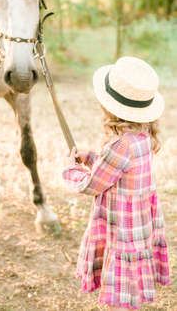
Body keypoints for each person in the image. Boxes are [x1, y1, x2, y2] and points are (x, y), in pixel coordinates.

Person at [62, 56, 170, 310]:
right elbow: (115, 169)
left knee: (122, 295)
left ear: (109, 107)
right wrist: (89, 157)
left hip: (122, 227)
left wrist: (71, 169)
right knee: (129, 283)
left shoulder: (120, 145)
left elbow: (92, 185)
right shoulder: (142, 137)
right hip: (138, 226)